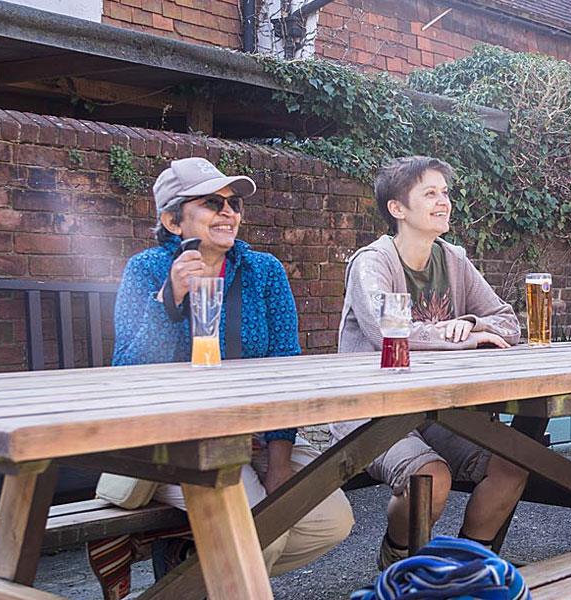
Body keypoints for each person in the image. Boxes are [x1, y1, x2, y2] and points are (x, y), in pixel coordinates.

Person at [88, 158, 354, 599]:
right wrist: (169, 298)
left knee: (330, 520)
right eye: (213, 203)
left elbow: (284, 367)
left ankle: (190, 568)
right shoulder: (147, 270)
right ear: (173, 220)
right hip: (177, 437)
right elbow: (127, 371)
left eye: (234, 204)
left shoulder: (263, 271)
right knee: (256, 527)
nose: (229, 212)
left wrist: (280, 461)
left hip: (253, 436)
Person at [328, 155, 526, 569]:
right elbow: (387, 332)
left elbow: (507, 321)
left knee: (512, 464)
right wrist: (464, 339)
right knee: (431, 479)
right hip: (373, 410)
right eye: (430, 193)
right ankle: (399, 563)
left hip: (436, 411)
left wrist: (468, 322)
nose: (444, 201)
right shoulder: (372, 262)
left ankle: (466, 567)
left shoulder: (452, 258)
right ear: (397, 209)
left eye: (446, 192)